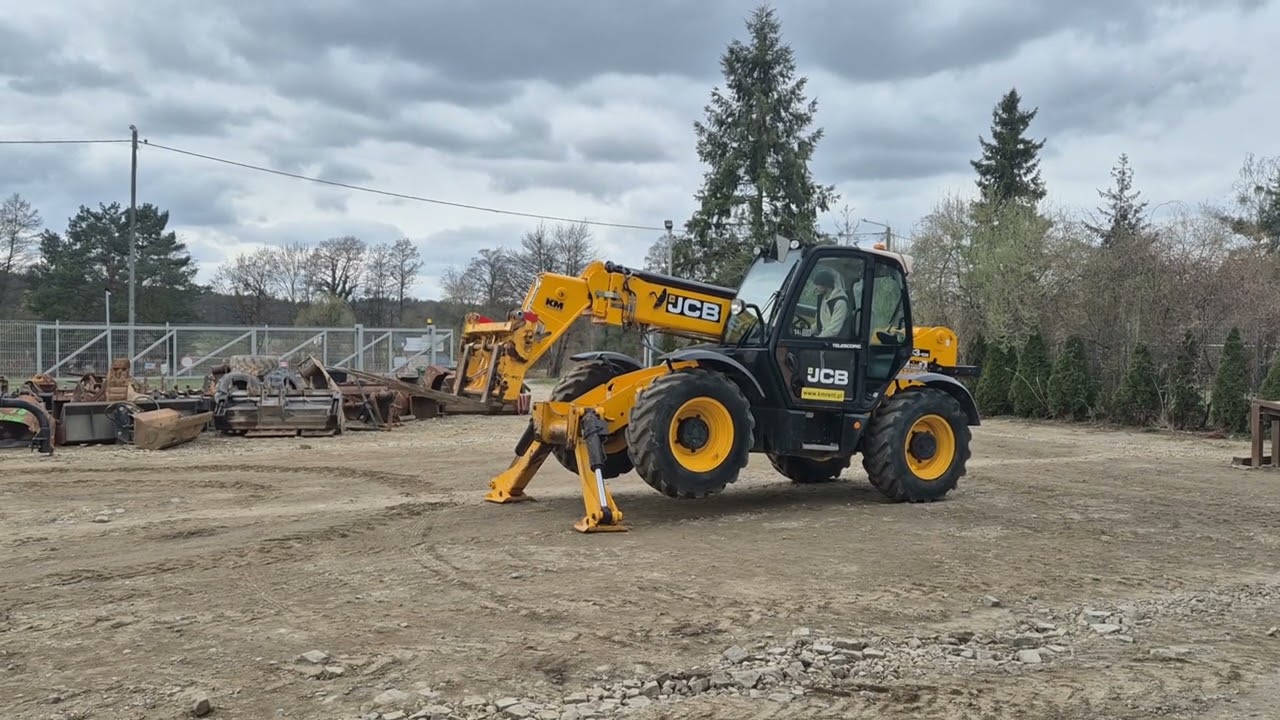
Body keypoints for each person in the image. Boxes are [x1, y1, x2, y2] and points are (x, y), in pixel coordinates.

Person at [811, 268, 850, 338]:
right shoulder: (822, 299)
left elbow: (833, 330)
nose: (815, 288)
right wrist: (804, 333)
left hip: (834, 342)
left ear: (826, 284)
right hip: (824, 338)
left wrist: (816, 340)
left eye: (818, 284)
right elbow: (819, 325)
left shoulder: (840, 303)